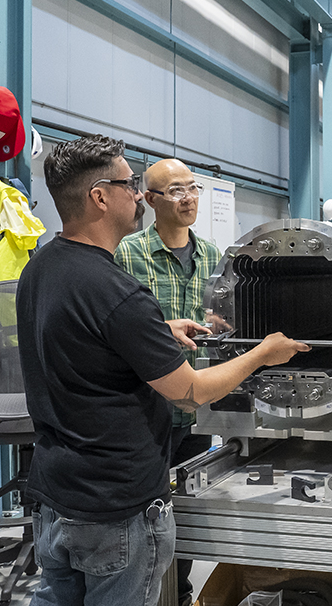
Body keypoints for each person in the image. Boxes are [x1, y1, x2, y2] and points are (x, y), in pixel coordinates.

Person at [17, 135, 309, 606]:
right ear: (99, 197)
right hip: (116, 508)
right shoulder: (119, 291)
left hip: (56, 497)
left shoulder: (42, 267)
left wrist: (156, 330)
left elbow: (81, 342)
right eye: (129, 183)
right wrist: (262, 354)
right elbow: (189, 394)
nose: (137, 194)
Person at [114, 158, 222, 606]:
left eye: (193, 188)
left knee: (189, 511)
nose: (189, 198)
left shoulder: (216, 256)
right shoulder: (127, 253)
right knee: (144, 519)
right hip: (148, 407)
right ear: (150, 199)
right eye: (176, 191)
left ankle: (179, 593)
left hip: (198, 408)